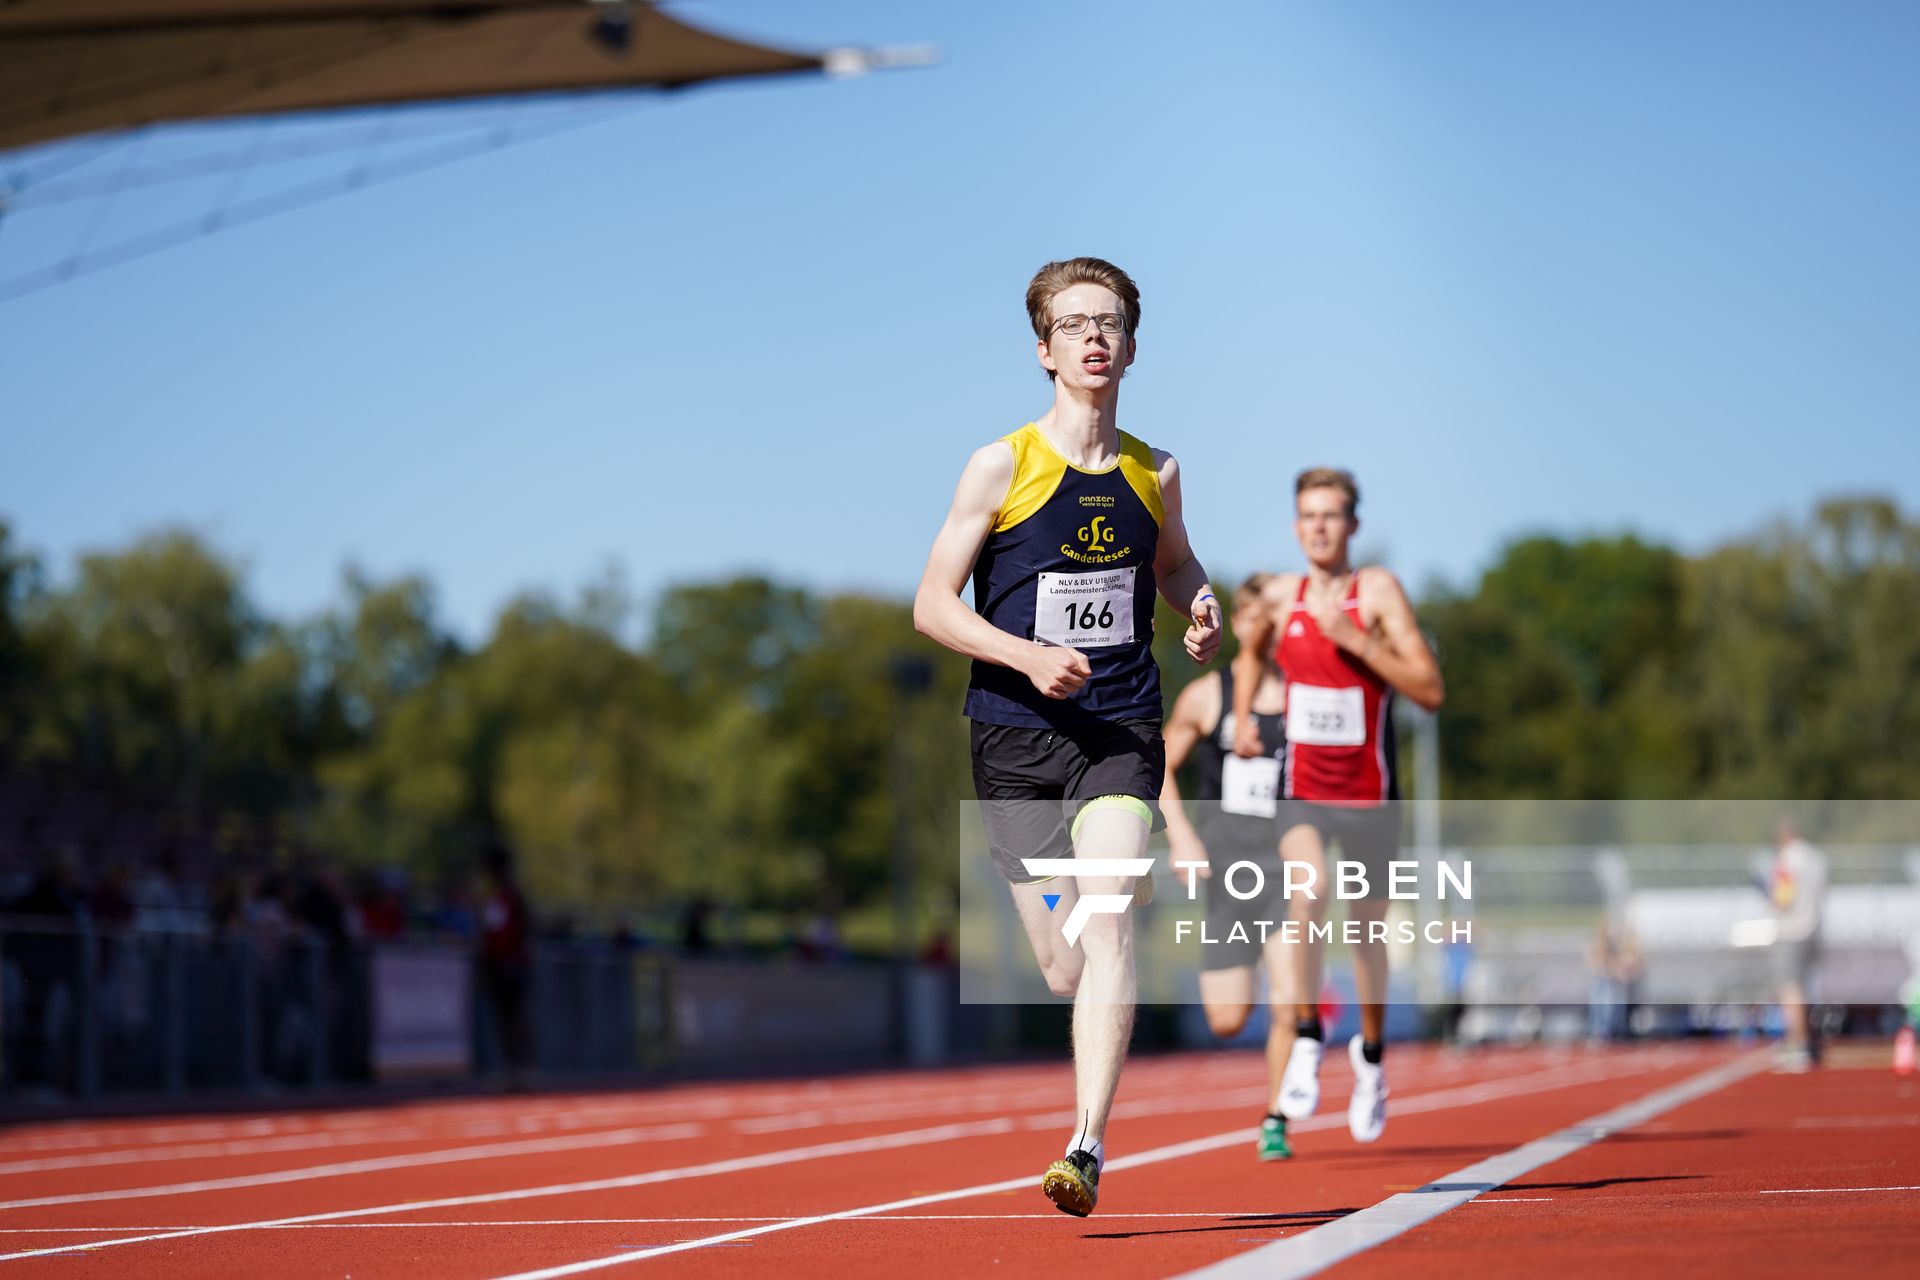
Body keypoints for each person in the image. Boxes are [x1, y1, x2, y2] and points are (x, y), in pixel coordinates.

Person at [914, 257, 1222, 1216]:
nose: (1095, 337)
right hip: (1013, 733)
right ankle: (1087, 1022)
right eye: (1075, 323)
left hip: (1119, 727)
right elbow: (930, 605)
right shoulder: (1000, 465)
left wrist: (1200, 603)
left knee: (1114, 908)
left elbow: (1174, 566)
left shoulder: (1154, 469)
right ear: (1043, 349)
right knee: (1062, 960)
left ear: (1132, 343)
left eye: (1112, 321)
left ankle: (1085, 1144)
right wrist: (1023, 655)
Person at [1230, 467, 1443, 1147]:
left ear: (1352, 525)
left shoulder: (1375, 593)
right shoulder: (1276, 595)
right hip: (1303, 791)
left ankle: (1373, 1059)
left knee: (1368, 936)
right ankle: (1306, 1036)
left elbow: (1430, 689)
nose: (1318, 527)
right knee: (1307, 891)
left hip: (1371, 795)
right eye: (1308, 516)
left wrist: (1355, 640)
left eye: (1331, 515)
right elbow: (1246, 656)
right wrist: (1240, 719)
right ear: (1295, 526)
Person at [1161, 573, 1301, 1159]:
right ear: (1238, 623)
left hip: (1290, 871)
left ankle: (1275, 1118)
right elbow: (1157, 767)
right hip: (1227, 872)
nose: (1261, 626)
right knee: (1225, 1017)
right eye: (1251, 615)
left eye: (1274, 615)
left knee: (1291, 1001)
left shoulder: (1304, 699)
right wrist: (1182, 839)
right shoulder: (1208, 696)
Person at [1769, 817, 1827, 1073]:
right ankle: (1810, 1041)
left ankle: (1799, 1043)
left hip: (1792, 929)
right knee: (1807, 987)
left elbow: (1783, 897)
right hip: (1814, 928)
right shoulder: (1817, 858)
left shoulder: (1787, 858)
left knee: (1790, 988)